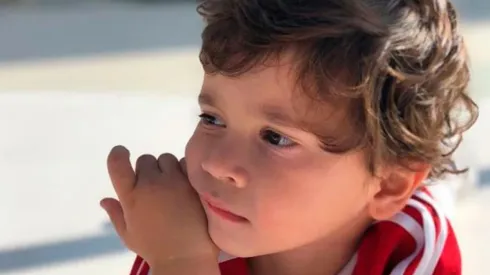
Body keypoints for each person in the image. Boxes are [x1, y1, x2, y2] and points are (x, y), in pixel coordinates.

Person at [100, 0, 479, 274]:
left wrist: (182, 265)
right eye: (212, 118)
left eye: (276, 138)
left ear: (387, 186)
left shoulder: (412, 248)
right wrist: (178, 258)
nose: (216, 164)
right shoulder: (182, 231)